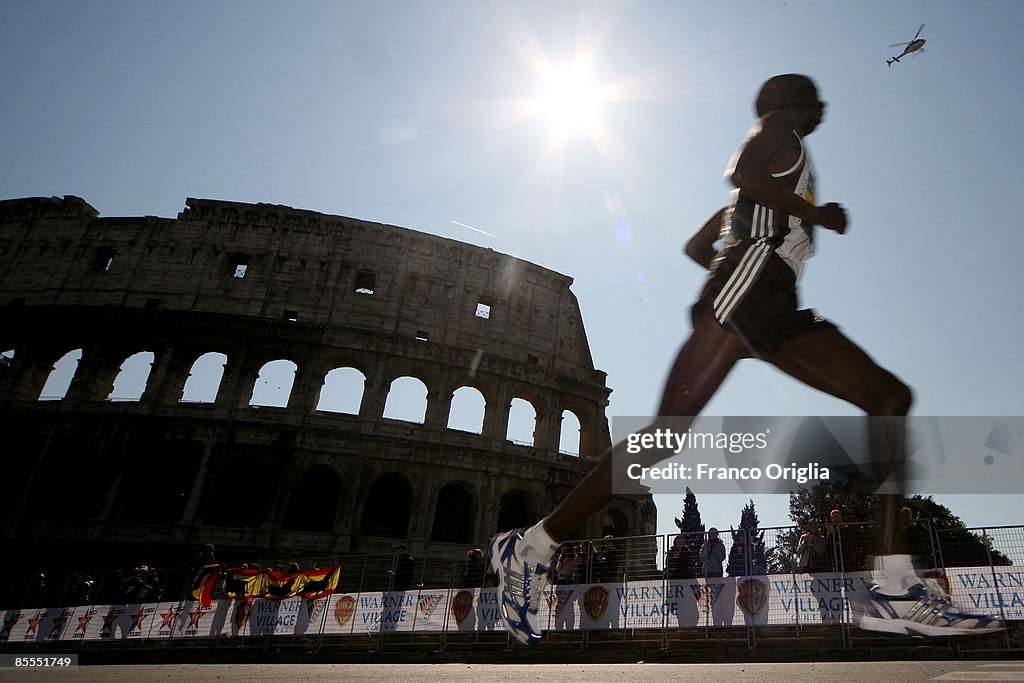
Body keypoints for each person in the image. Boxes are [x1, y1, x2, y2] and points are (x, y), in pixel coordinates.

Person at [488, 73, 1003, 645]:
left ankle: (892, 581)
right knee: (665, 436)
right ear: (788, 104)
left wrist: (737, 252)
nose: (822, 104)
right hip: (749, 294)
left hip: (771, 305)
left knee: (888, 398)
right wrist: (803, 225)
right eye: (812, 96)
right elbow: (742, 172)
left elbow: (695, 244)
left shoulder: (753, 198)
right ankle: (533, 543)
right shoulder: (780, 133)